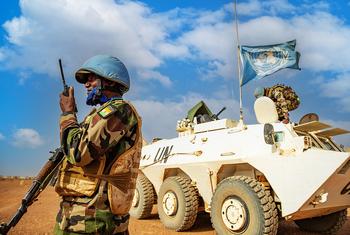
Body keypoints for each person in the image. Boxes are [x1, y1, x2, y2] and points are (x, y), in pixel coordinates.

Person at [54, 55, 142, 235]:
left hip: (93, 222)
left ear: (109, 80)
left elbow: (78, 153)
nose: (86, 84)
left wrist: (68, 114)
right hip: (82, 219)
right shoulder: (101, 114)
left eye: (91, 78)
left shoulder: (119, 110)